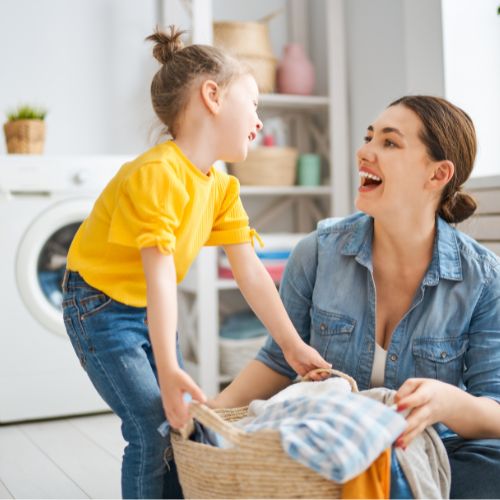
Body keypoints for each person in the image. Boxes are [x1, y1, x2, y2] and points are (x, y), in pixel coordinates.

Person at [61, 26, 330, 499]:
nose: (259, 121)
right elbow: (161, 276)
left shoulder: (221, 184)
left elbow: (250, 272)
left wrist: (291, 345)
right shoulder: (157, 173)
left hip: (145, 305)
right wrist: (169, 369)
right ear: (213, 96)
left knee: (176, 421)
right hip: (99, 306)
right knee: (150, 425)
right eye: (253, 104)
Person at [213, 95, 500, 498]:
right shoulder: (317, 252)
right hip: (331, 441)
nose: (364, 152)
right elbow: (279, 359)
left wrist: (446, 402)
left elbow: (495, 407)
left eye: (389, 142)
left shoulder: (483, 279)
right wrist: (211, 415)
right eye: (369, 138)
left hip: (431, 448)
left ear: (438, 175)